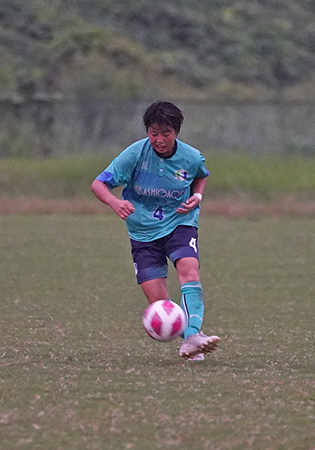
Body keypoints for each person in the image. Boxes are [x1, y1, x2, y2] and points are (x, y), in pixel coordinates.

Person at [91, 101, 220, 361]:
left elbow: (201, 174)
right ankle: (191, 340)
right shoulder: (134, 155)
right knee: (160, 305)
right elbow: (98, 184)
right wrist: (115, 202)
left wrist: (197, 196)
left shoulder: (191, 156)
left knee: (189, 269)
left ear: (176, 132)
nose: (159, 140)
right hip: (142, 233)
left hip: (179, 223)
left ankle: (194, 334)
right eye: (153, 133)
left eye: (166, 133)